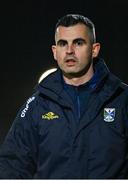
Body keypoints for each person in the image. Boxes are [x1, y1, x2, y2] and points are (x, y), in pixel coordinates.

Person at [0, 14, 128, 179]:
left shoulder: (122, 99)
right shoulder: (37, 105)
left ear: (94, 49)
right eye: (63, 44)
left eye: (78, 43)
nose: (69, 51)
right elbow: (12, 164)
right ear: (55, 51)